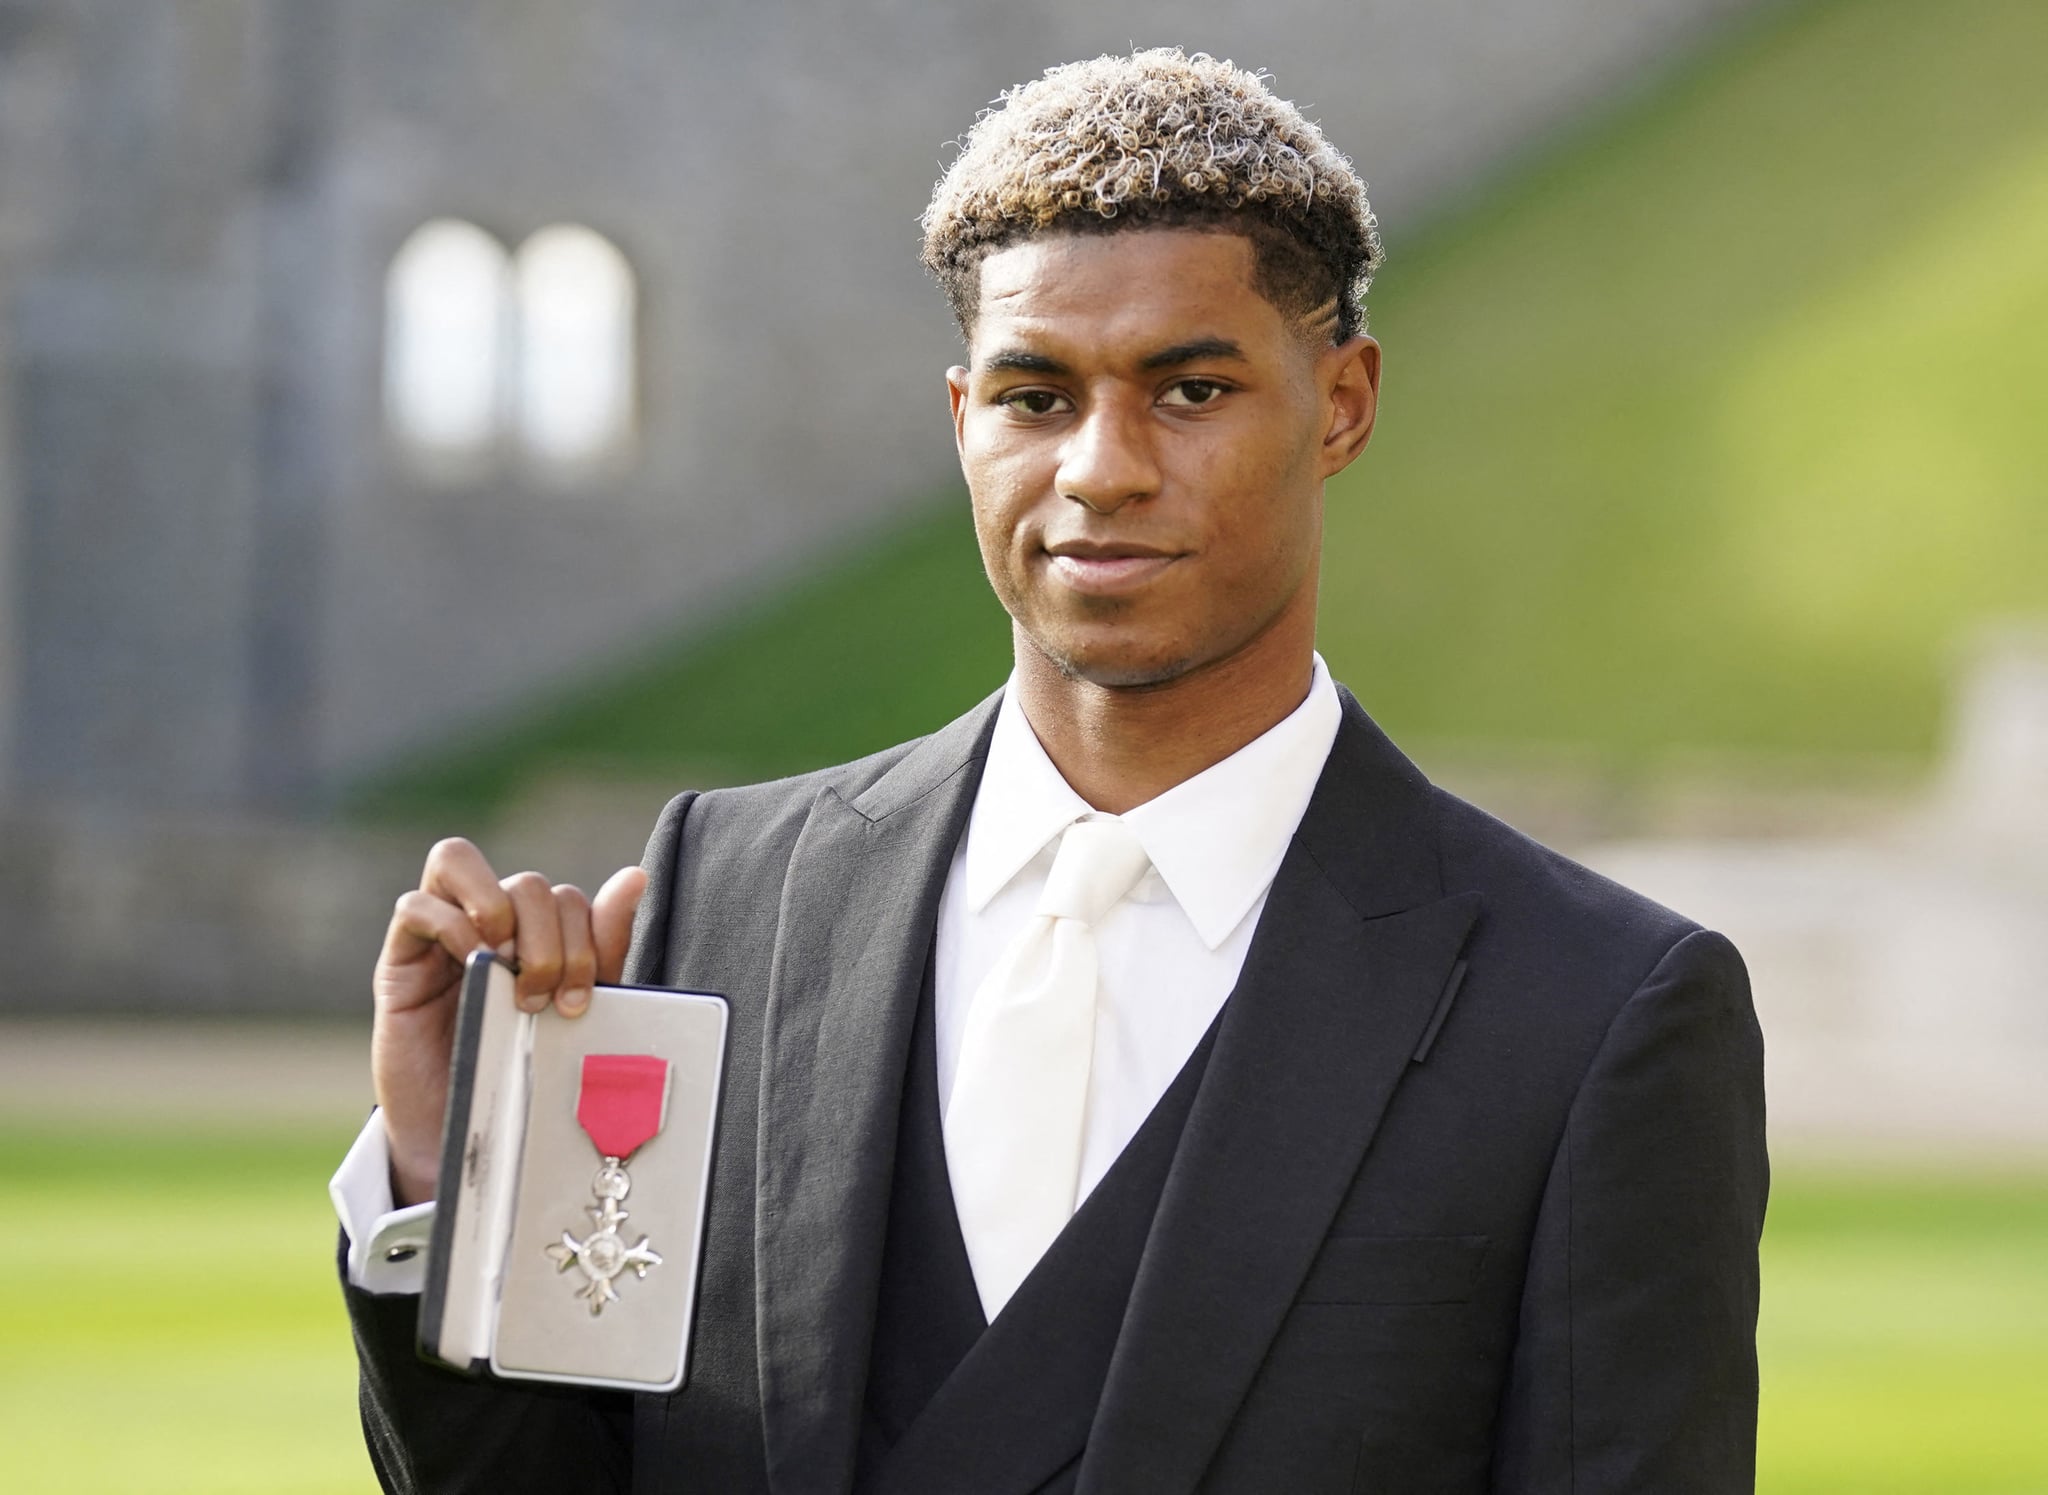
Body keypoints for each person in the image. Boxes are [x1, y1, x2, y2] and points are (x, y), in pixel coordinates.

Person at [334, 48, 1767, 1495]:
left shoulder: (1590, 1014)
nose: (1100, 468)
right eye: (1036, 396)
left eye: (1190, 389)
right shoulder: (728, 900)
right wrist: (441, 1184)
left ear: (1341, 405)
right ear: (964, 420)